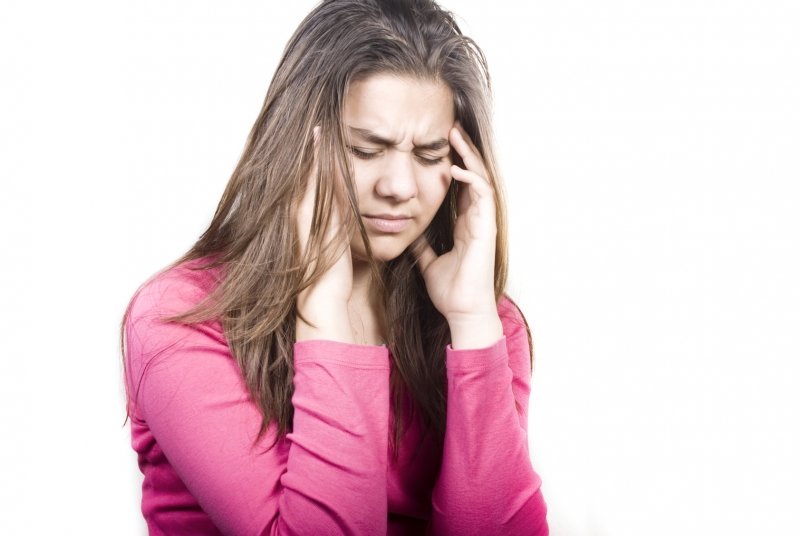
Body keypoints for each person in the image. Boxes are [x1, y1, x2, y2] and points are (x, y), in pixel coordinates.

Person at [122, 0, 548, 534]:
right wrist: (323, 306)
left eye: (430, 154)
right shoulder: (181, 316)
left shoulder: (486, 324)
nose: (398, 187)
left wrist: (473, 324)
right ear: (295, 146)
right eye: (366, 150)